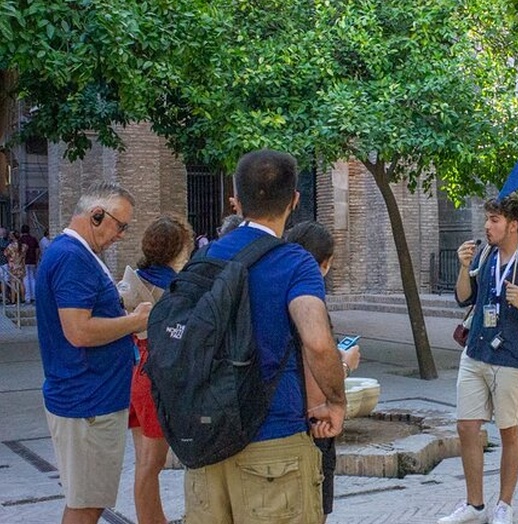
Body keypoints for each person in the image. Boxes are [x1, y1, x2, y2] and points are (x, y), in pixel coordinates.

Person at [183, 150, 346, 524]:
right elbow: (318, 342)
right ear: (294, 200)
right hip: (274, 441)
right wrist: (336, 402)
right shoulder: (296, 262)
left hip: (208, 441)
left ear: (237, 201)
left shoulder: (204, 258)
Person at [35, 182, 152, 524]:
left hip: (90, 399)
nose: (121, 234)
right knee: (86, 504)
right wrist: (134, 321)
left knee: (89, 500)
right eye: (121, 225)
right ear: (96, 215)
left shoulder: (76, 254)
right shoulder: (73, 258)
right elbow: (79, 330)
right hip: (87, 402)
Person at [441, 194, 518, 524]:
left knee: (509, 431)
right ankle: (475, 505)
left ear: (513, 225)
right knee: (466, 426)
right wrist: (465, 267)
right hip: (476, 352)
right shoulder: (486, 257)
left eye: (494, 220)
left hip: (513, 358)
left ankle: (504, 504)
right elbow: (465, 297)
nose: (487, 226)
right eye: (487, 219)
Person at [118, 215, 194, 524]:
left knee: (144, 461)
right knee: (152, 462)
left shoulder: (132, 280)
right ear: (179, 251)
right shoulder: (172, 288)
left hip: (135, 372)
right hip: (156, 376)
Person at [285, 220, 361, 522]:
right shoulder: (311, 303)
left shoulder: (274, 292)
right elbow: (314, 354)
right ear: (326, 263)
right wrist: (344, 363)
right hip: (311, 427)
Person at [4, 230, 27, 303]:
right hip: (21, 265)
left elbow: (5, 254)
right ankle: (23, 298)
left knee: (13, 283)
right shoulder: (24, 246)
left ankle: (14, 300)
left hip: (13, 266)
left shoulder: (10, 246)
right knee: (21, 282)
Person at [20, 224, 40, 303]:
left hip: (24, 261)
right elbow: (37, 250)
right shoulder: (33, 239)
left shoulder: (20, 240)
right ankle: (34, 296)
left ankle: (27, 297)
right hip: (32, 260)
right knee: (32, 278)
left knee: (25, 279)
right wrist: (36, 259)